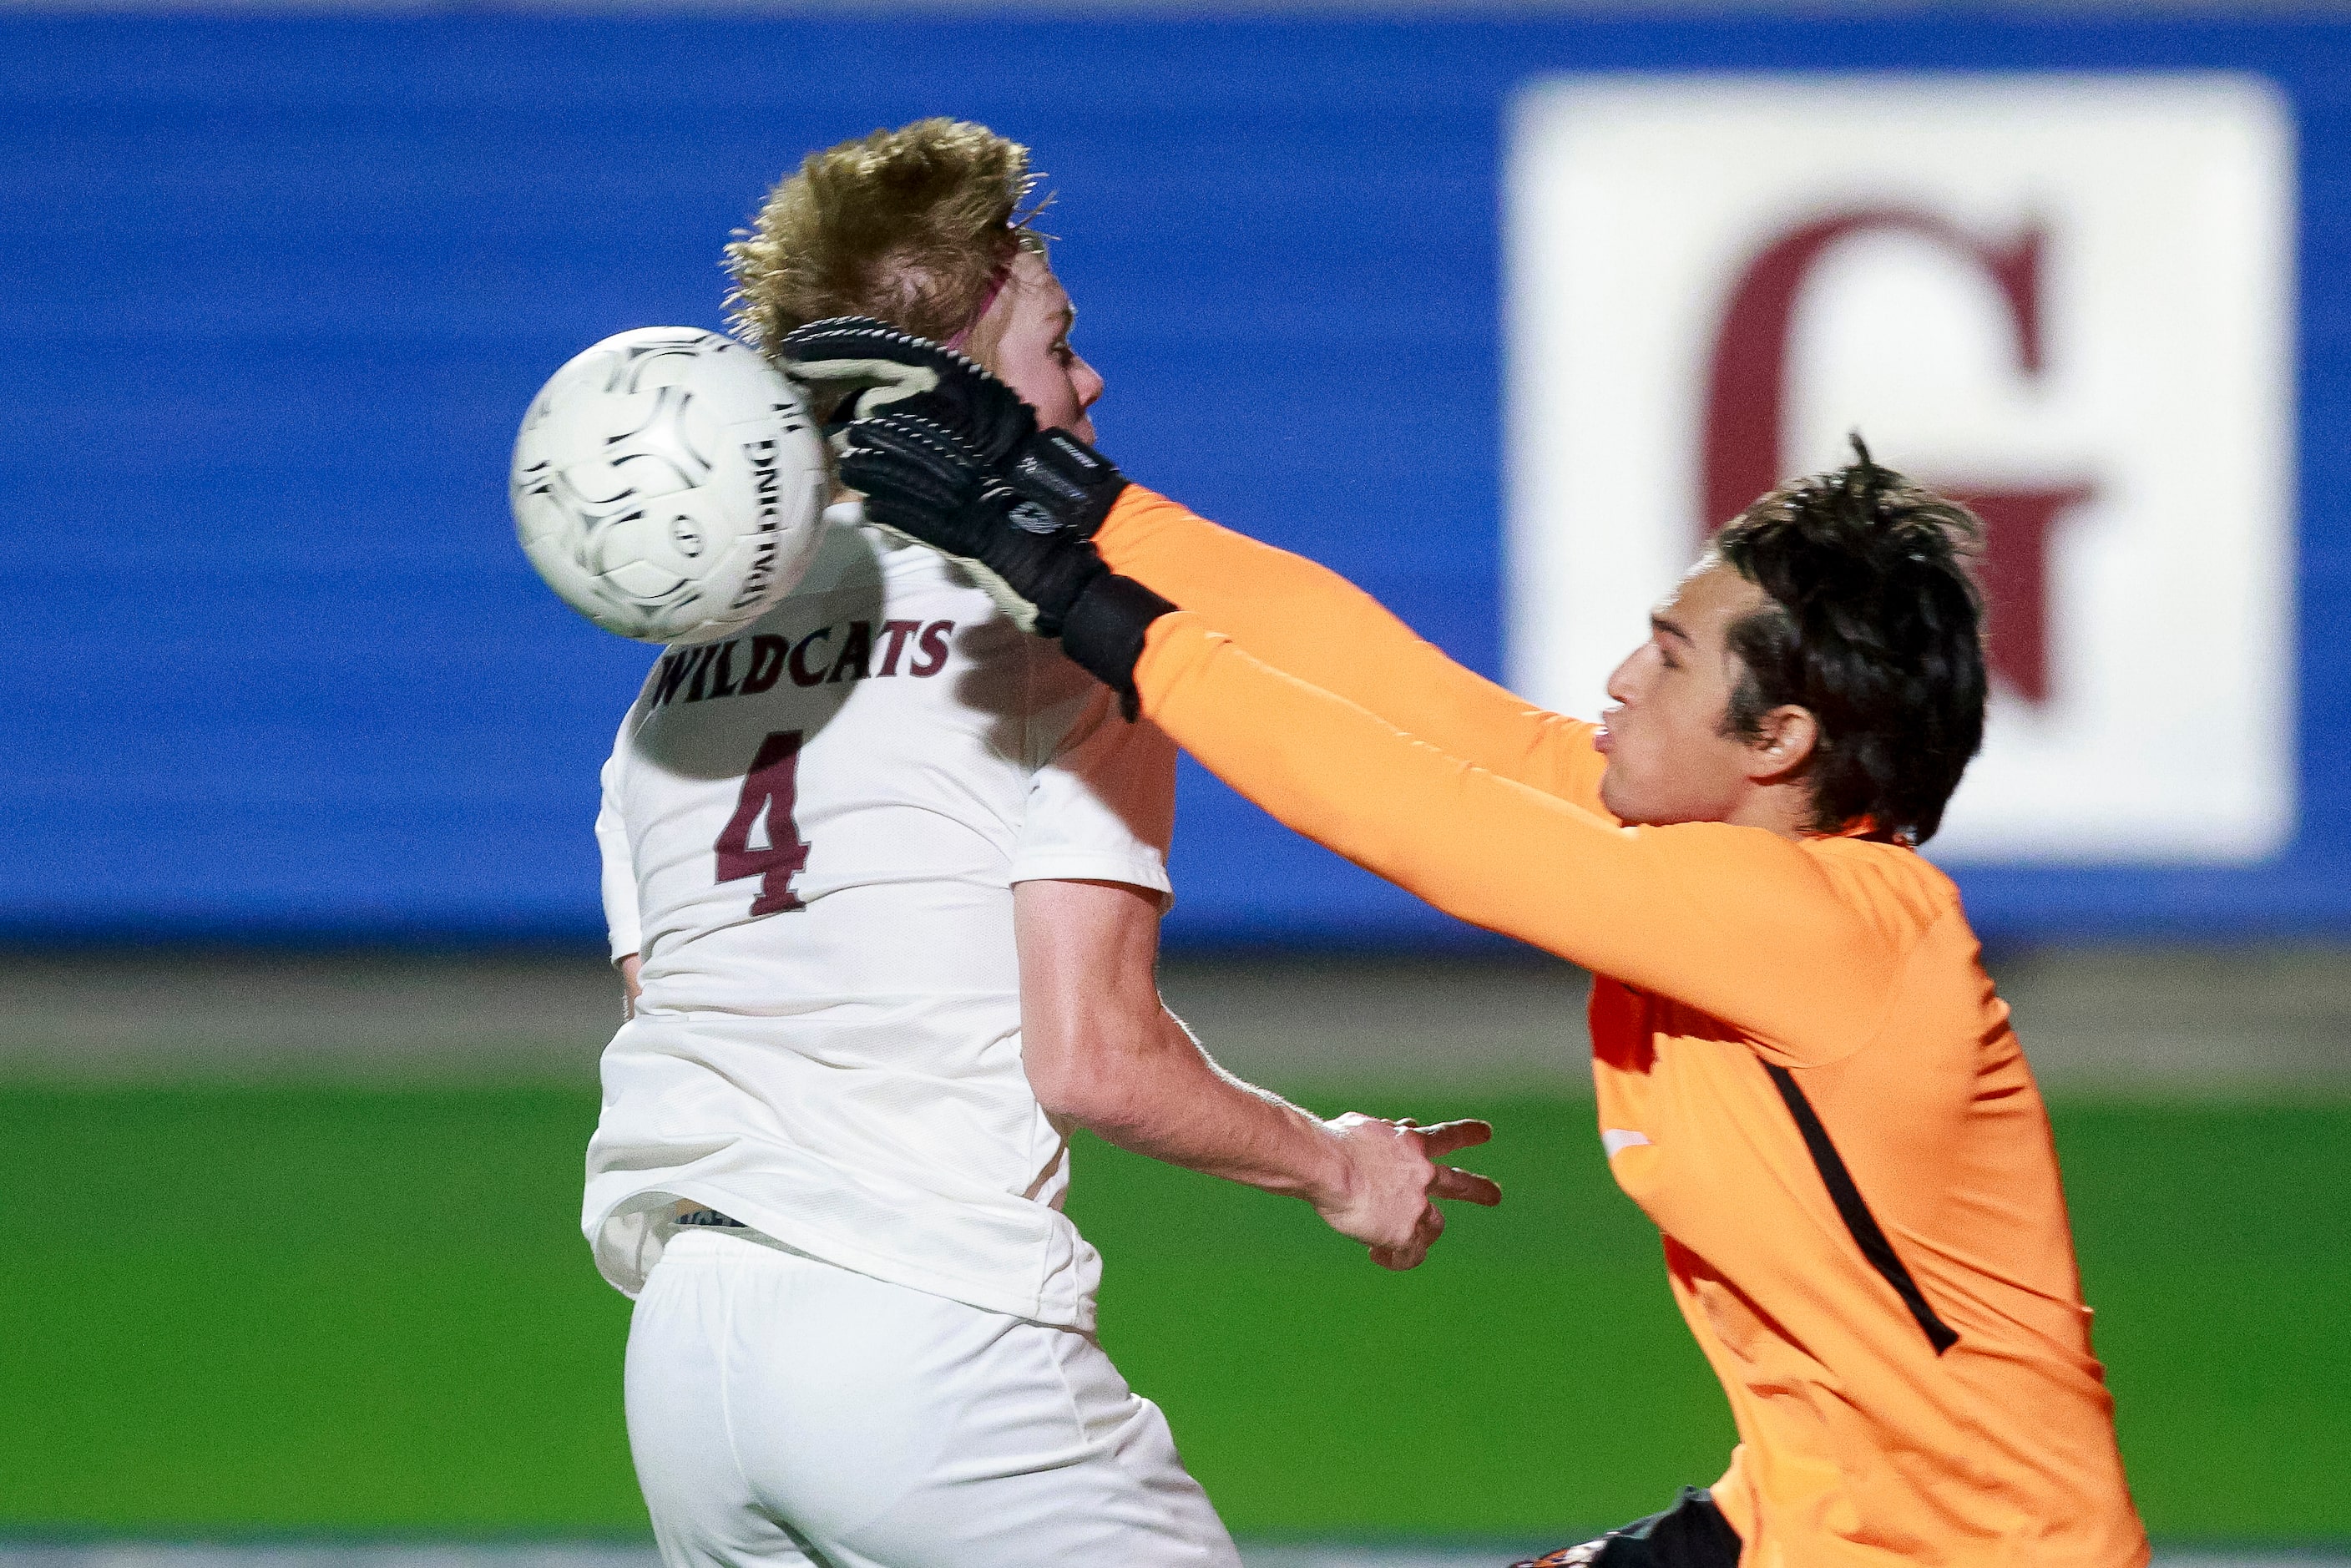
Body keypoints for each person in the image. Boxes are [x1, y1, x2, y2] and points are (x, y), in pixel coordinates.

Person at [778, 322, 2152, 1568]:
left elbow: (1419, 813)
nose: (1620, 679)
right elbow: (1418, 710)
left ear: (1781, 739)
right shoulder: (1710, 870)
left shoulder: (1830, 926)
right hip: (1803, 1518)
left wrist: (1073, 596)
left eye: (1670, 657)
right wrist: (1087, 504)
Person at [581, 122, 1500, 1568]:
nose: (1090, 378)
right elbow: (1091, 1057)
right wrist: (1336, 1164)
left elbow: (687, 1014)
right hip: (924, 1349)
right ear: (948, 374)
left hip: (687, 1360)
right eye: (1057, 341)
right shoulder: (1061, 630)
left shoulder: (667, 688)